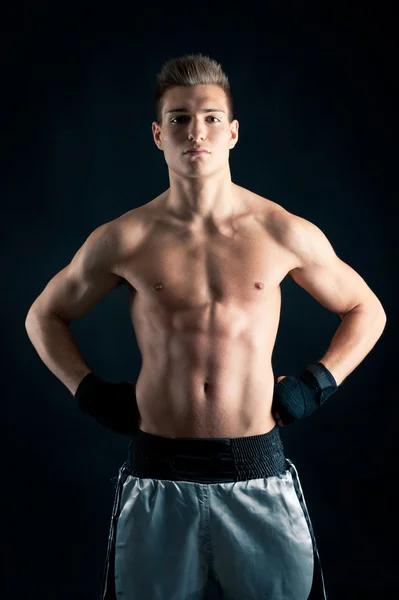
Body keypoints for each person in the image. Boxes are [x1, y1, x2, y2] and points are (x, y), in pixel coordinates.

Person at [25, 53, 387, 600]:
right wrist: (90, 392)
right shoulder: (125, 238)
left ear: (233, 132)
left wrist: (316, 385)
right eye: (179, 118)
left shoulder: (281, 230)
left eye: (211, 117)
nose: (197, 130)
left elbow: (368, 310)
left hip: (257, 475)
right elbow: (43, 315)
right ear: (157, 134)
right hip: (156, 477)